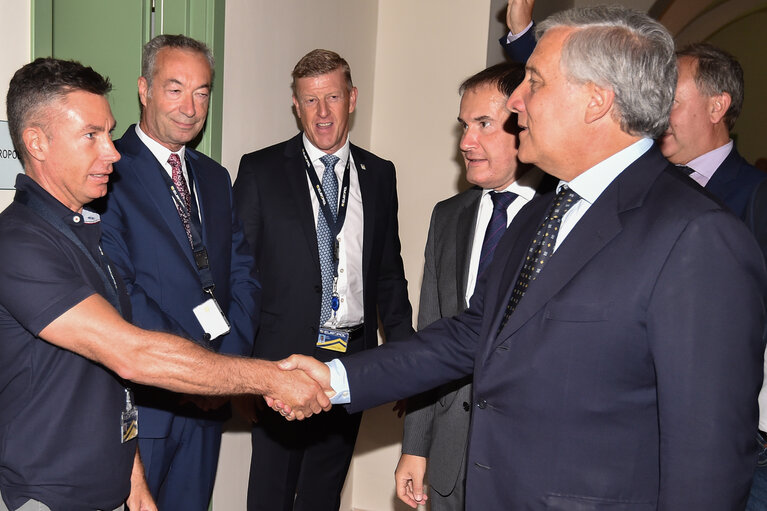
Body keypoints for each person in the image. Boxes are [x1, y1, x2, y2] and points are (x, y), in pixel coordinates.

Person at [276, 6, 767, 509]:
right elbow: (471, 334)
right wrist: (336, 378)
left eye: (534, 81)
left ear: (597, 101)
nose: (516, 101)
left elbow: (706, 464)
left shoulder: (698, 236)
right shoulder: (541, 215)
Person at [0, 57, 330, 511]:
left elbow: (109, 382)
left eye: (108, 131)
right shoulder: (19, 243)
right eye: (91, 136)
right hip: (48, 494)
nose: (112, 151)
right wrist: (269, 378)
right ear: (36, 142)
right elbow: (132, 353)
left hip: (108, 483)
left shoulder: (81, 232)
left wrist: (132, 477)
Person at [233, 49, 413, 511]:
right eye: (310, 101)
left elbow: (389, 275)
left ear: (352, 98)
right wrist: (241, 367)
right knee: (271, 491)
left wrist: (406, 360)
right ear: (296, 104)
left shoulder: (380, 175)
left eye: (332, 97)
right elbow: (241, 274)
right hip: (281, 361)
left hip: (350, 359)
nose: (323, 113)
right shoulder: (260, 170)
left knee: (324, 489)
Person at [95, 34, 261, 510]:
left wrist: (224, 369)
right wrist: (194, 370)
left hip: (209, 408)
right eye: (175, 89)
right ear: (144, 89)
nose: (190, 107)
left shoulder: (214, 177)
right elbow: (120, 289)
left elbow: (244, 275)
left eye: (202, 92)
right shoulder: (109, 172)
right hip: (147, 403)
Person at [395, 62, 552, 511]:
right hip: (447, 462)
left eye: (483, 124)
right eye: (464, 126)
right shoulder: (448, 217)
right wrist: (416, 445)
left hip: (525, 467)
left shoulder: (561, 217)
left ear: (525, 121)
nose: (466, 142)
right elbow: (431, 338)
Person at [502, 0, 765, 221]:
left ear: (716, 106)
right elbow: (570, 86)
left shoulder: (755, 196)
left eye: (669, 100)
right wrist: (524, 35)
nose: (655, 108)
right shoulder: (623, 174)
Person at [659, 42, 765, 219]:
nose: (658, 116)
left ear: (716, 107)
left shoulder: (757, 196)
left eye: (671, 103)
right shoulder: (644, 177)